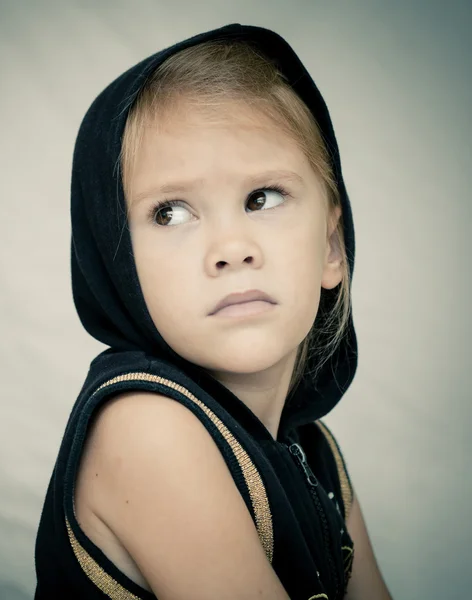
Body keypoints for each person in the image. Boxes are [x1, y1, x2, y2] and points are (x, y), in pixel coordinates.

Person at [33, 23, 393, 599]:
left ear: (331, 247)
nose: (231, 248)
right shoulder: (147, 428)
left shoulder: (316, 453)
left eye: (263, 198)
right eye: (171, 213)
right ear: (118, 267)